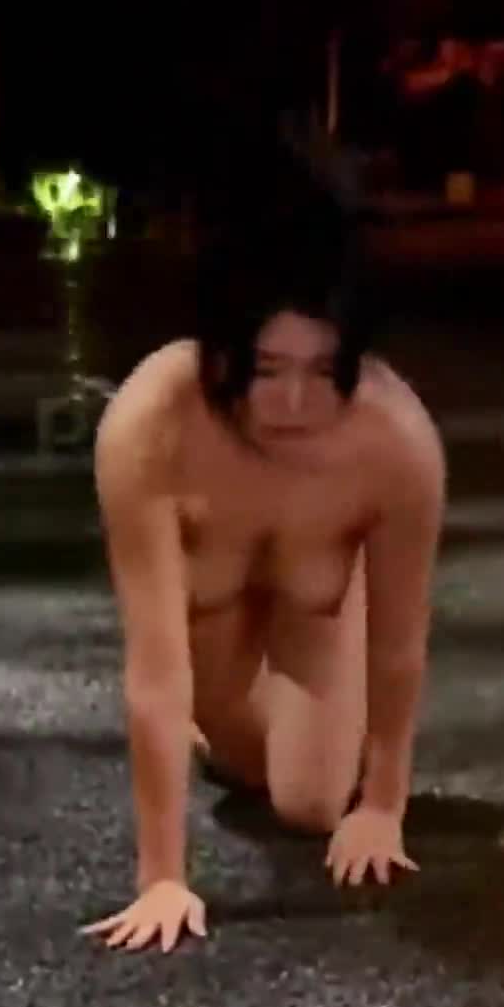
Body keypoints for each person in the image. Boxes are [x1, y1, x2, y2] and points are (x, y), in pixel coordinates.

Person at [82, 163, 446, 954]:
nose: (292, 404)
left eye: (322, 372)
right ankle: (227, 727)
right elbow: (154, 670)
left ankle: (300, 700)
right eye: (267, 370)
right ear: (221, 353)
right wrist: (163, 877)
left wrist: (382, 805)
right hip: (206, 631)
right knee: (238, 760)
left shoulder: (397, 443)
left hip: (319, 608)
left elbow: (400, 645)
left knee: (312, 805)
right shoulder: (152, 423)